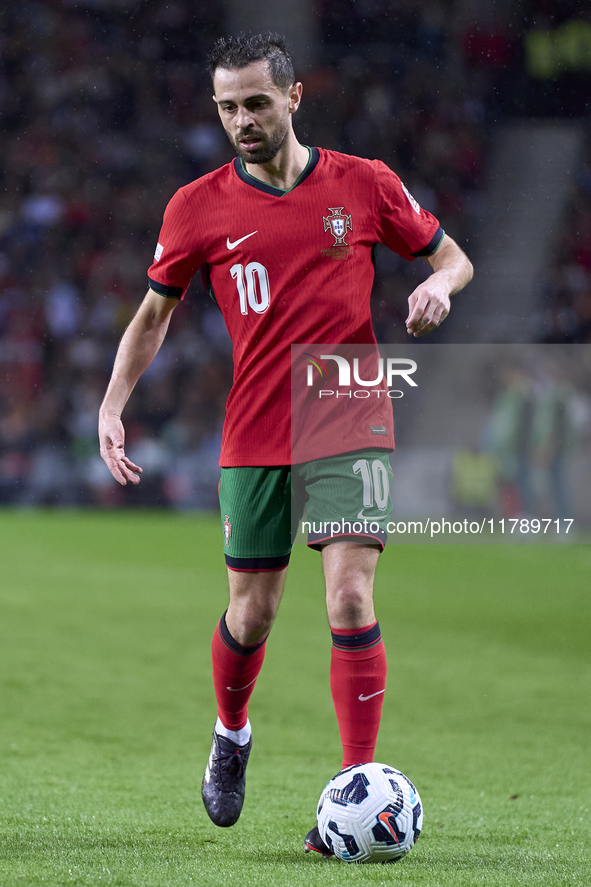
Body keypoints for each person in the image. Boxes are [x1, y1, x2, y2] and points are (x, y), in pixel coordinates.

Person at [98, 32, 473, 856]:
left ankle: (355, 788)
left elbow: (452, 257)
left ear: (293, 98)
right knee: (252, 611)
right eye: (226, 105)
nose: (240, 119)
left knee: (348, 597)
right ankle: (231, 732)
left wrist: (436, 287)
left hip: (348, 411)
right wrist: (114, 402)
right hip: (256, 422)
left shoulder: (363, 184)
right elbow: (154, 314)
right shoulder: (194, 206)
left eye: (256, 103)